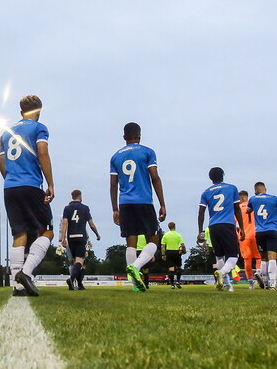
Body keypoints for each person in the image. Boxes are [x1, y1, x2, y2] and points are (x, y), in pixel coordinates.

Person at [1, 94, 54, 297]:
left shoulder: (5, 133)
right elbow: (42, 153)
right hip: (31, 185)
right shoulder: (39, 128)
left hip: (9, 186)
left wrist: (12, 180)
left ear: (21, 111)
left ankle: (18, 286)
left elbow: (2, 165)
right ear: (38, 110)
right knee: (46, 231)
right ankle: (26, 272)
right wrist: (50, 183)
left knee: (19, 234)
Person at [110, 122, 166, 292]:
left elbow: (113, 185)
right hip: (144, 201)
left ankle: (135, 285)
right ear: (139, 136)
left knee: (131, 241)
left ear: (124, 137)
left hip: (125, 203)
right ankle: (136, 266)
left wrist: (115, 209)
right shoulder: (148, 152)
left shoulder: (115, 156)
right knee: (153, 239)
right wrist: (162, 203)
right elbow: (155, 177)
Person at [197, 167, 246, 292]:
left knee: (219, 256)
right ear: (223, 175)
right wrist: (242, 227)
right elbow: (237, 209)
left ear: (210, 178)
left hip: (213, 226)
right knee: (234, 256)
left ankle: (228, 286)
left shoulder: (206, 192)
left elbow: (201, 212)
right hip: (227, 224)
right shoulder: (232, 188)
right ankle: (222, 272)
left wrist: (200, 231)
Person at [247, 182, 277, 289]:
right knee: (272, 257)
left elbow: (248, 211)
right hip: (272, 231)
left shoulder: (252, 199)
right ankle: (273, 283)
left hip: (260, 232)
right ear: (265, 189)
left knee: (263, 258)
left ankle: (265, 281)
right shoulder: (275, 199)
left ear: (256, 190)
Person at [60, 189, 100, 291]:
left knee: (74, 262)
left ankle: (79, 285)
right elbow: (91, 224)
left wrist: (63, 238)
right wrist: (97, 234)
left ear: (72, 197)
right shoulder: (85, 208)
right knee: (80, 261)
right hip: (81, 237)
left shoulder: (67, 208)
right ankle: (71, 279)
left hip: (71, 237)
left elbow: (65, 223)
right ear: (80, 196)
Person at [237, 190, 262, 289]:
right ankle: (258, 271)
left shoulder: (238, 208)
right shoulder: (255, 206)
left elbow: (233, 223)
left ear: (242, 198)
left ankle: (251, 283)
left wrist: (237, 234)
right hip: (256, 235)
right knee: (259, 257)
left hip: (244, 237)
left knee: (247, 260)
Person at [160, 221, 186, 289]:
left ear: (168, 227)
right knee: (179, 267)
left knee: (171, 269)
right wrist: (184, 251)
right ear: (175, 226)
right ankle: (177, 281)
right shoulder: (178, 235)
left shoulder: (166, 235)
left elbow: (163, 246)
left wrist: (163, 254)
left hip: (169, 252)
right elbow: (182, 244)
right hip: (176, 252)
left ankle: (172, 285)